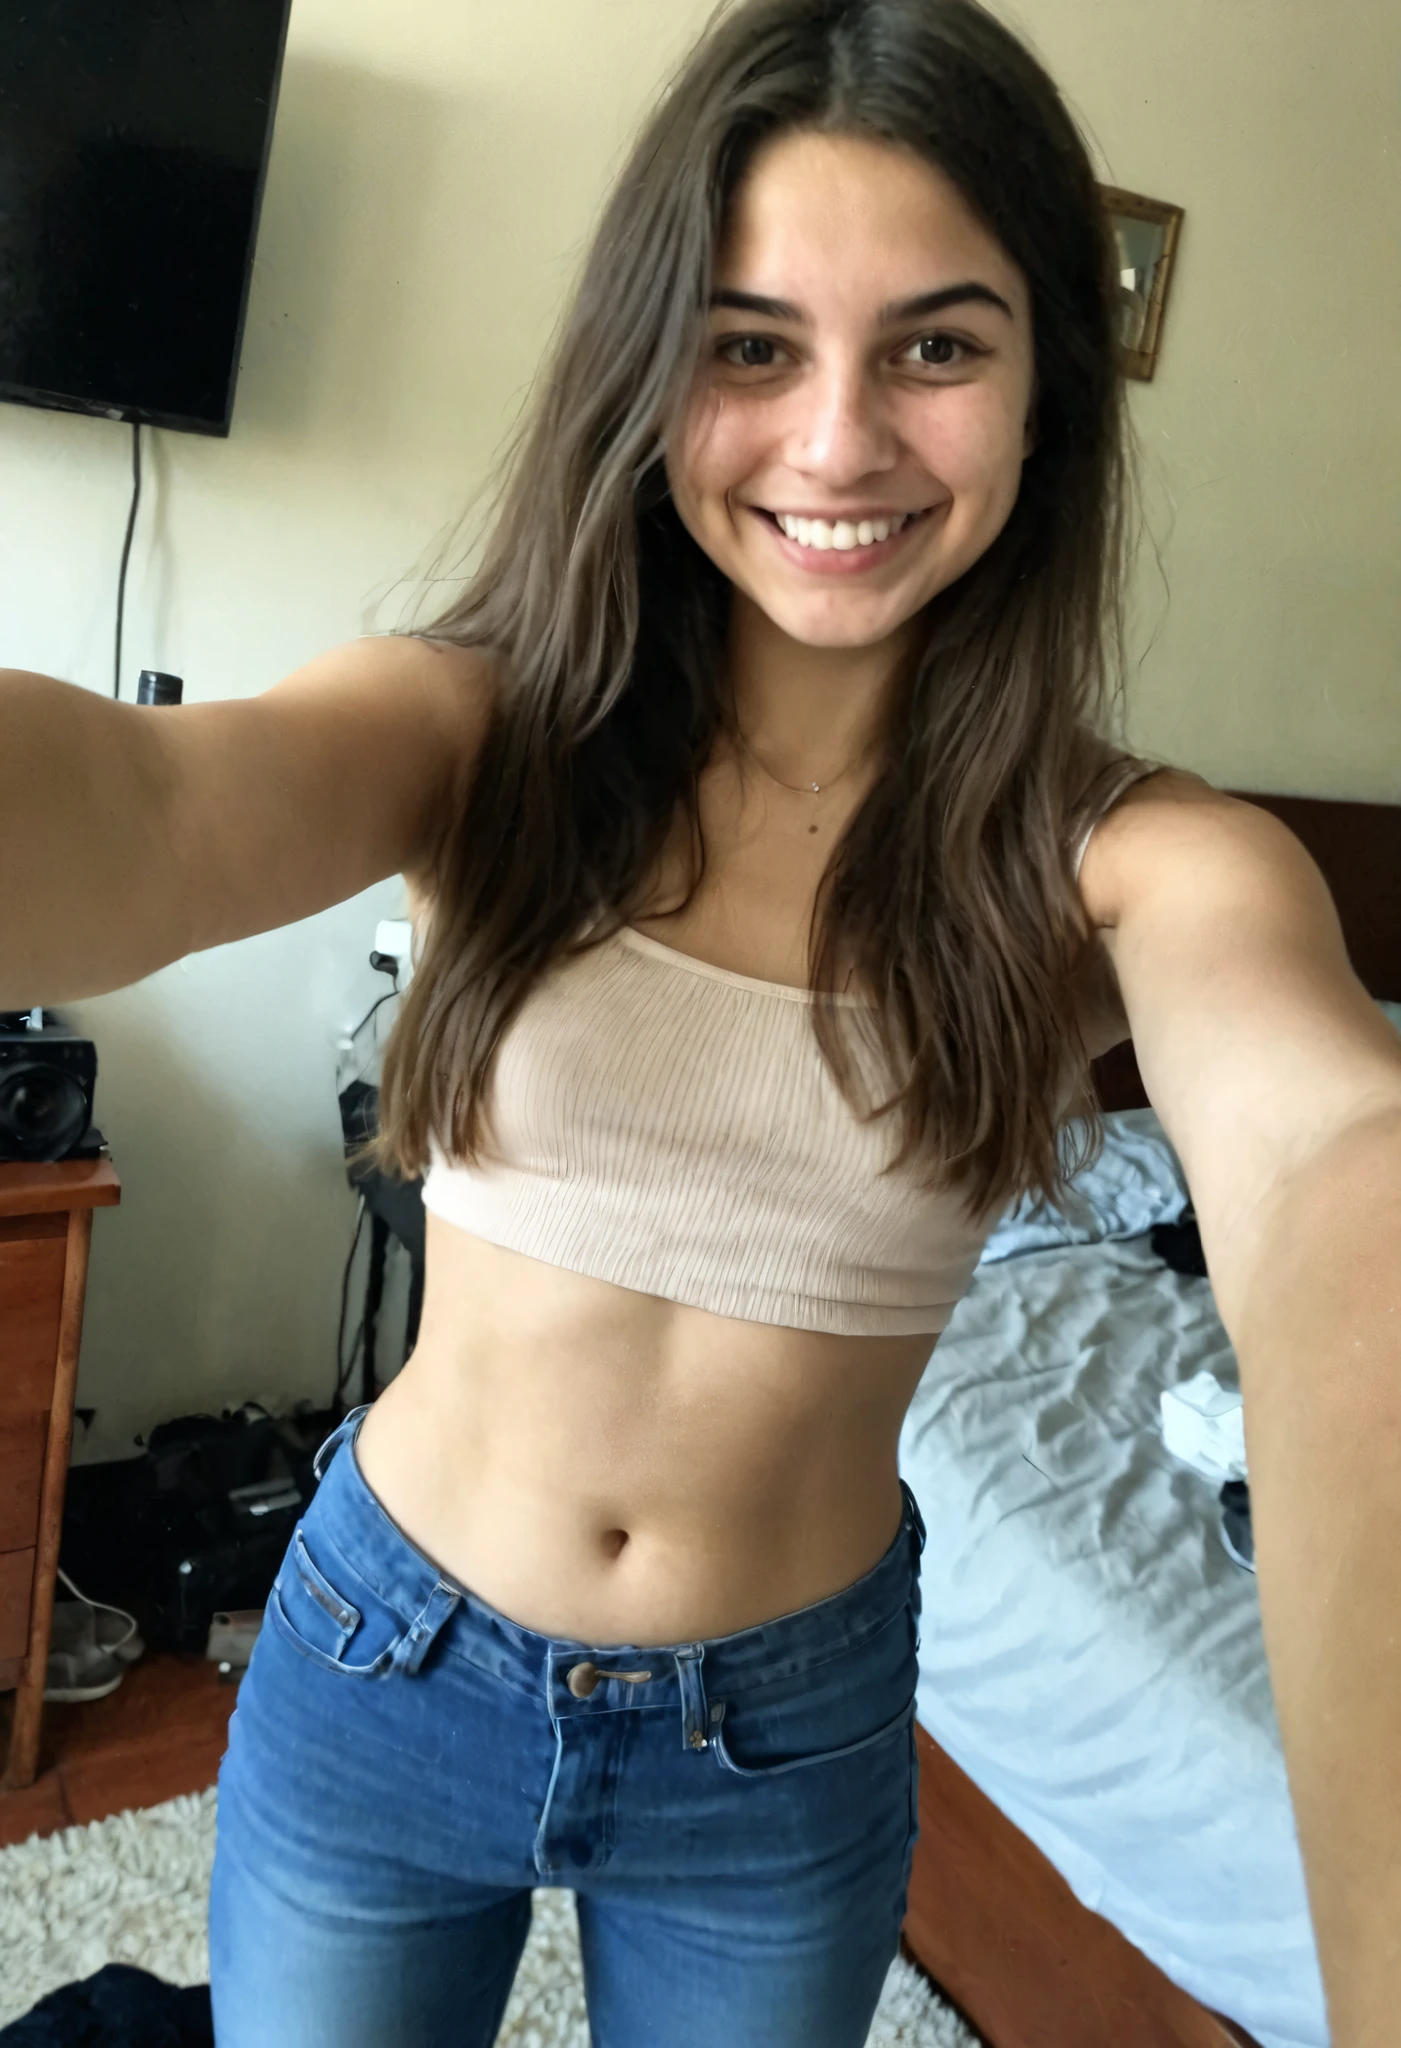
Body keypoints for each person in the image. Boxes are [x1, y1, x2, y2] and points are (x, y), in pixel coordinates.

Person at [3, 2, 1399, 2043]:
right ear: (650, 373)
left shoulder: (1134, 863)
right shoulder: (481, 727)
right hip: (388, 1658)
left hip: (787, 1730)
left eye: (936, 343)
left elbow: (1335, 1177)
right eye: (750, 345)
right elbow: (154, 813)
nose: (836, 440)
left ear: (1044, 400)